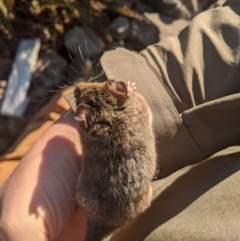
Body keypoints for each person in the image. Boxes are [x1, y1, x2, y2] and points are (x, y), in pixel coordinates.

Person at [1, 0, 240, 240]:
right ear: (122, 91)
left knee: (48, 119)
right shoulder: (130, 109)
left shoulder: (95, 120)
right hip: (134, 201)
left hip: (120, 204)